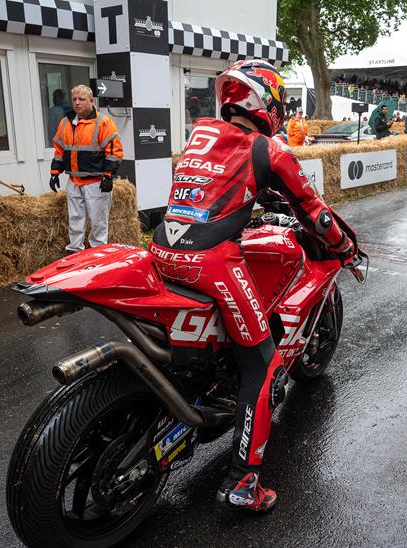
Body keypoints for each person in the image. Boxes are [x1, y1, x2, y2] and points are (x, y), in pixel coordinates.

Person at [148, 60, 356, 511]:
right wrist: (342, 245)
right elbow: (313, 211)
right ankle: (243, 483)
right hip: (209, 260)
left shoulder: (200, 135)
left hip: (162, 250)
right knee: (261, 365)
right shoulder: (268, 149)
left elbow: (214, 188)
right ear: (268, 104)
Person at [49, 84, 123, 253]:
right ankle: (75, 251)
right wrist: (54, 173)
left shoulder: (104, 122)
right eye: (74, 99)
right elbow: (59, 149)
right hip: (74, 180)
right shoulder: (65, 122)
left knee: (98, 222)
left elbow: (114, 151)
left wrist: (108, 175)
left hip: (95, 182)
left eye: (81, 99)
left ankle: (99, 253)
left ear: (91, 101)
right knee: (75, 219)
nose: (77, 103)